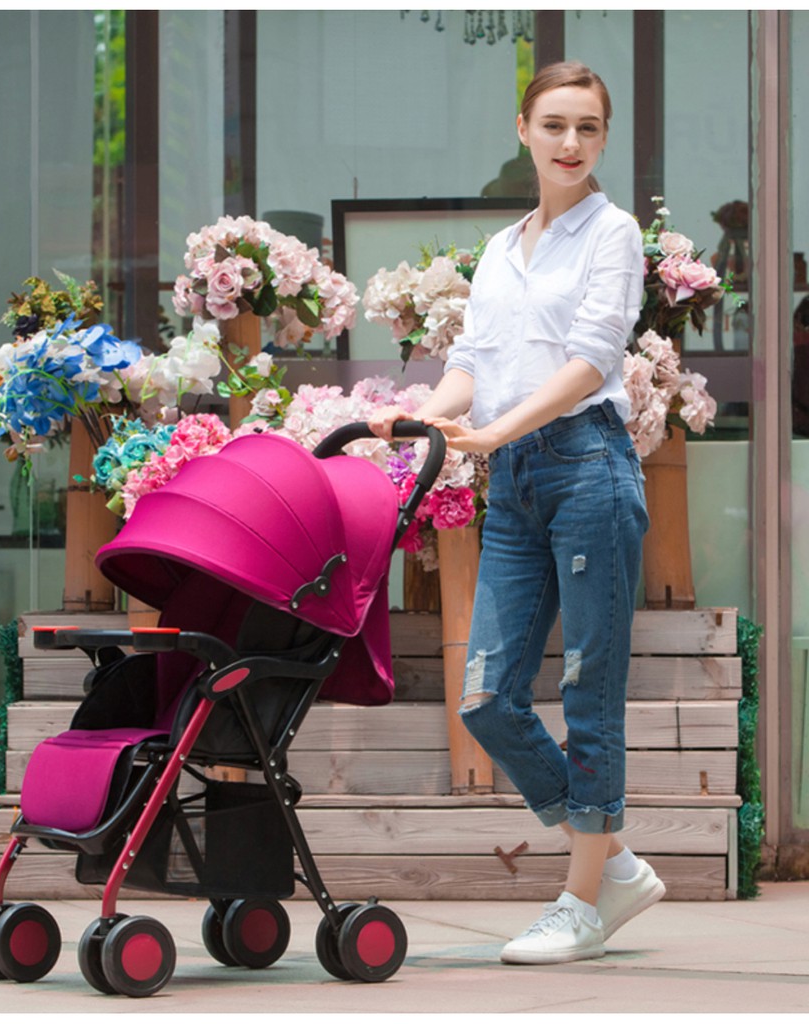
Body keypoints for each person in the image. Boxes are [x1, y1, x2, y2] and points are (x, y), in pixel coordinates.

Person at [369, 61, 664, 965]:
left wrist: (493, 430)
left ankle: (581, 901)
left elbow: (588, 359)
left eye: (587, 128)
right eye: (555, 125)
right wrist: (434, 410)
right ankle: (610, 857)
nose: (570, 143)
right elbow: (478, 355)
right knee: (488, 698)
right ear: (524, 131)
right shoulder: (501, 249)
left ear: (603, 139)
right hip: (519, 485)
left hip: (588, 469)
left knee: (588, 690)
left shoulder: (612, 234)